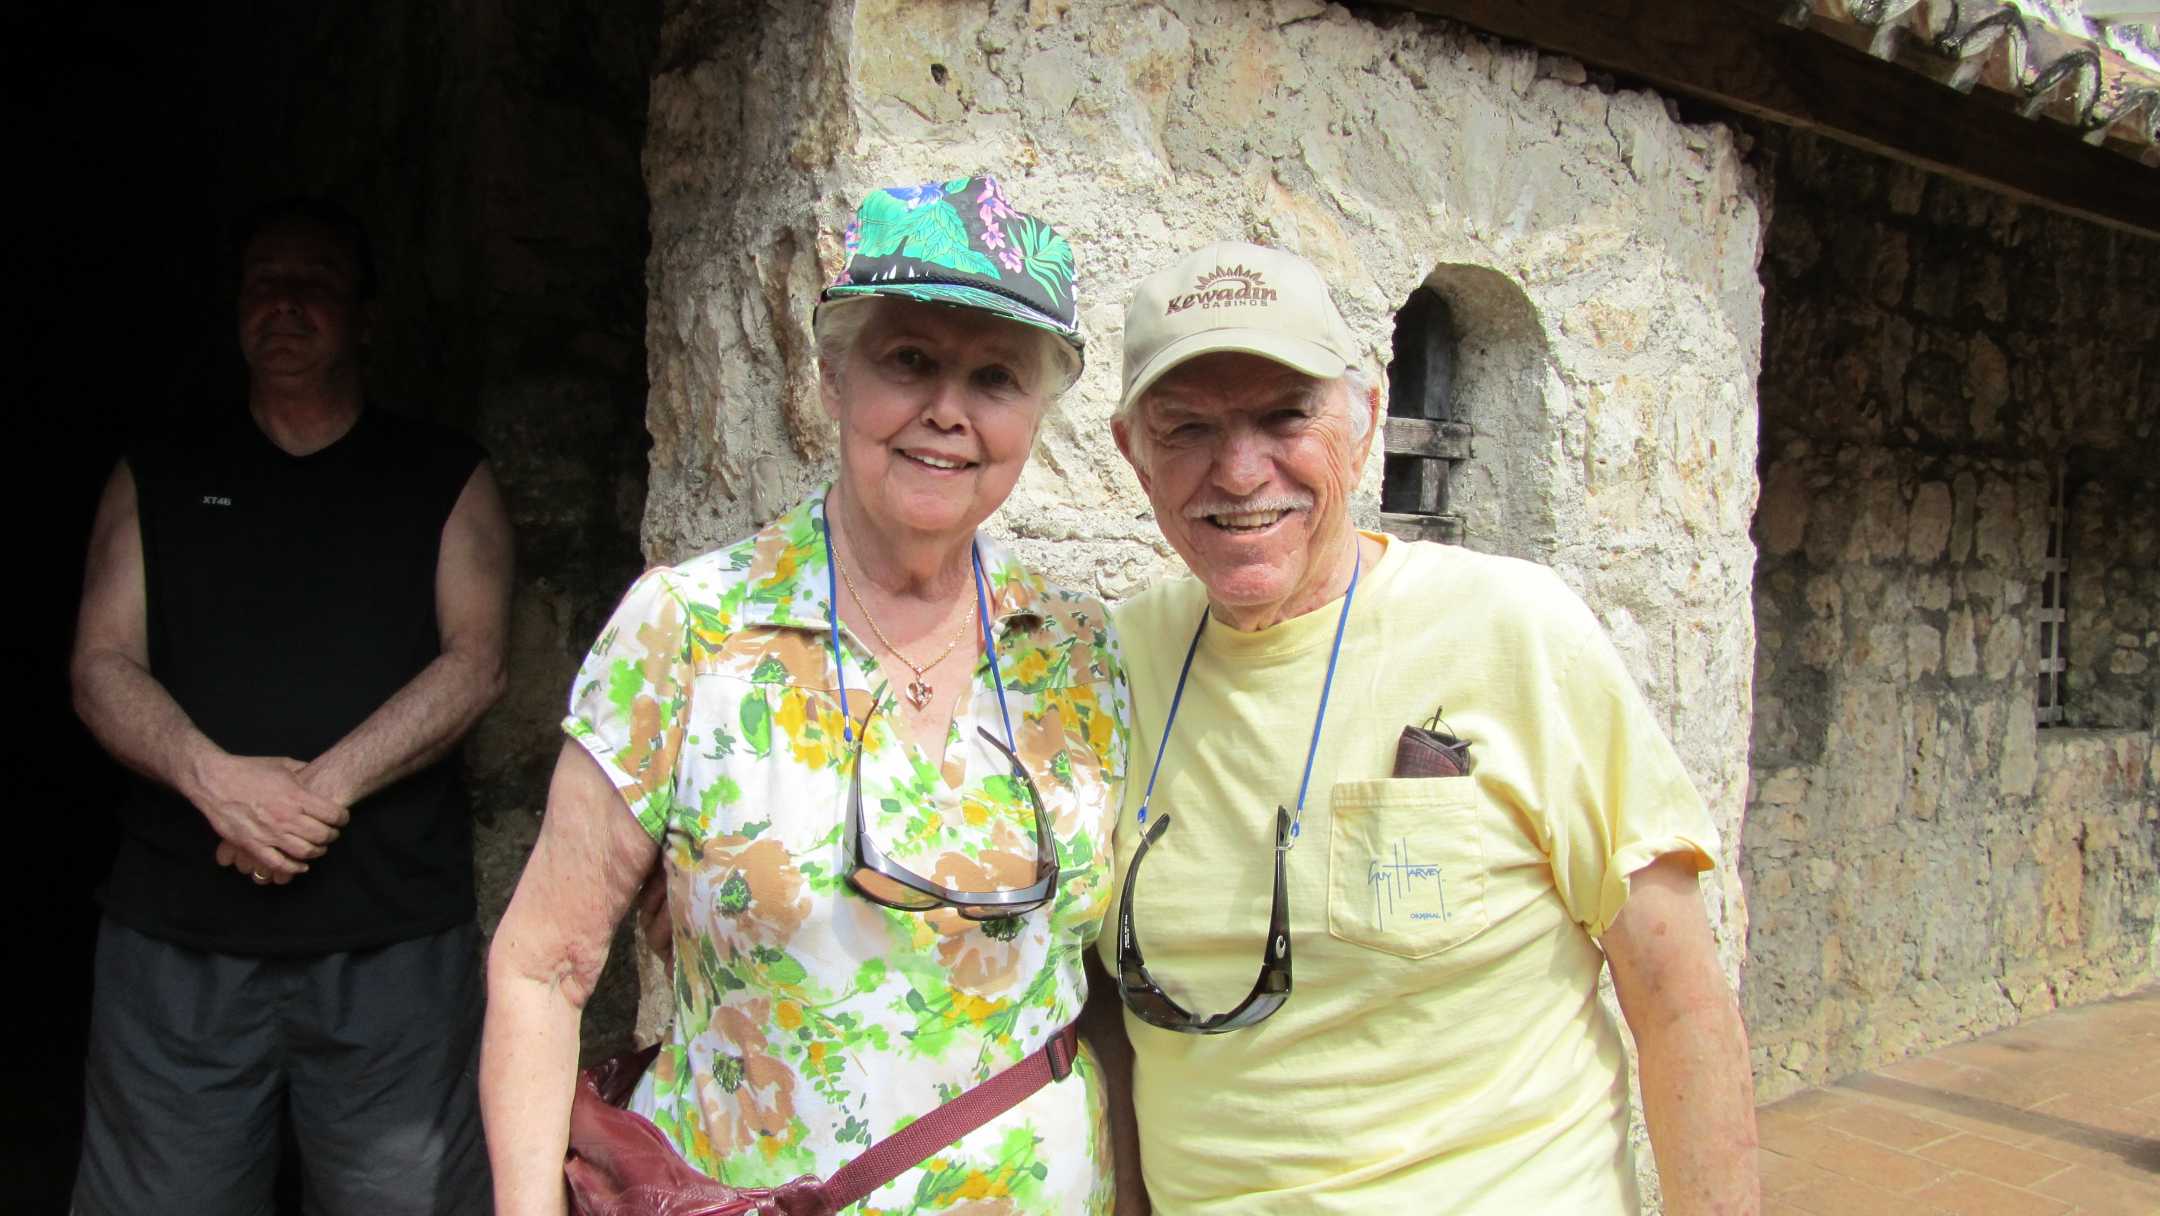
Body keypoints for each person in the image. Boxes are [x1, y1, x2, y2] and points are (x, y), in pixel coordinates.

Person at [482, 176, 1131, 1216]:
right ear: (833, 375)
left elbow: (1099, 986)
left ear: (1037, 413)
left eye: (995, 377)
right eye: (908, 360)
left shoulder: (1079, 651)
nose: (947, 410)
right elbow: (542, 969)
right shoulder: (691, 629)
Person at [1090, 241, 1758, 1214]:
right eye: (1187, 427)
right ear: (1132, 453)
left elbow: (1680, 1000)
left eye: (1286, 416)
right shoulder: (1111, 668)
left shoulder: (1516, 630)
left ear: (1364, 419)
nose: (1238, 471)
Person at [69, 196, 513, 1214]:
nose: (285, 304)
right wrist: (215, 784)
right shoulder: (158, 473)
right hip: (177, 938)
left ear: (366, 317)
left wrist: (315, 793)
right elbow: (98, 663)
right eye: (264, 284)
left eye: (314, 283)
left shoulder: (442, 474)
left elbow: (478, 662)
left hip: (389, 939)